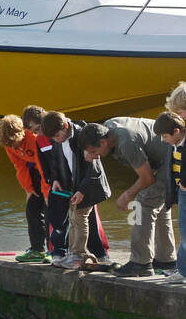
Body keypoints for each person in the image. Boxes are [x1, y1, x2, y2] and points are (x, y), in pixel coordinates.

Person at [79, 118, 178, 277]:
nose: (95, 157)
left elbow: (147, 178)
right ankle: (166, 260)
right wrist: (87, 150)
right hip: (165, 156)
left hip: (174, 158)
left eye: (94, 152)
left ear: (103, 143)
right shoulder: (108, 128)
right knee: (158, 205)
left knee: (142, 204)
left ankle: (140, 263)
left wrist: (127, 195)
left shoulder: (126, 142)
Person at [39, 114, 111, 269]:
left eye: (58, 136)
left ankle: (79, 254)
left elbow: (94, 169)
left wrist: (82, 191)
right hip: (74, 186)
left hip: (89, 186)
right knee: (75, 218)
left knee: (79, 218)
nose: (57, 140)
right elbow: (57, 160)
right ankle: (77, 254)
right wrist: (55, 179)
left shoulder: (81, 138)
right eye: (54, 138)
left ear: (66, 126)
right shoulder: (59, 139)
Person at [0, 113, 50, 263]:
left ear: (22, 133)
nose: (15, 147)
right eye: (11, 145)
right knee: (32, 209)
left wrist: (46, 192)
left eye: (16, 143)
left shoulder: (33, 139)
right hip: (32, 172)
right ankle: (37, 249)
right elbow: (19, 165)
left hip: (47, 171)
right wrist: (28, 188)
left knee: (49, 210)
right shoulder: (9, 145)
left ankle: (55, 250)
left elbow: (43, 166)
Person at [153, 111, 186, 284]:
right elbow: (171, 171)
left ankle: (183, 272)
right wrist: (172, 196)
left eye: (165, 136)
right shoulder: (172, 145)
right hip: (182, 192)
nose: (163, 139)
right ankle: (182, 270)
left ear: (177, 131)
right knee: (184, 232)